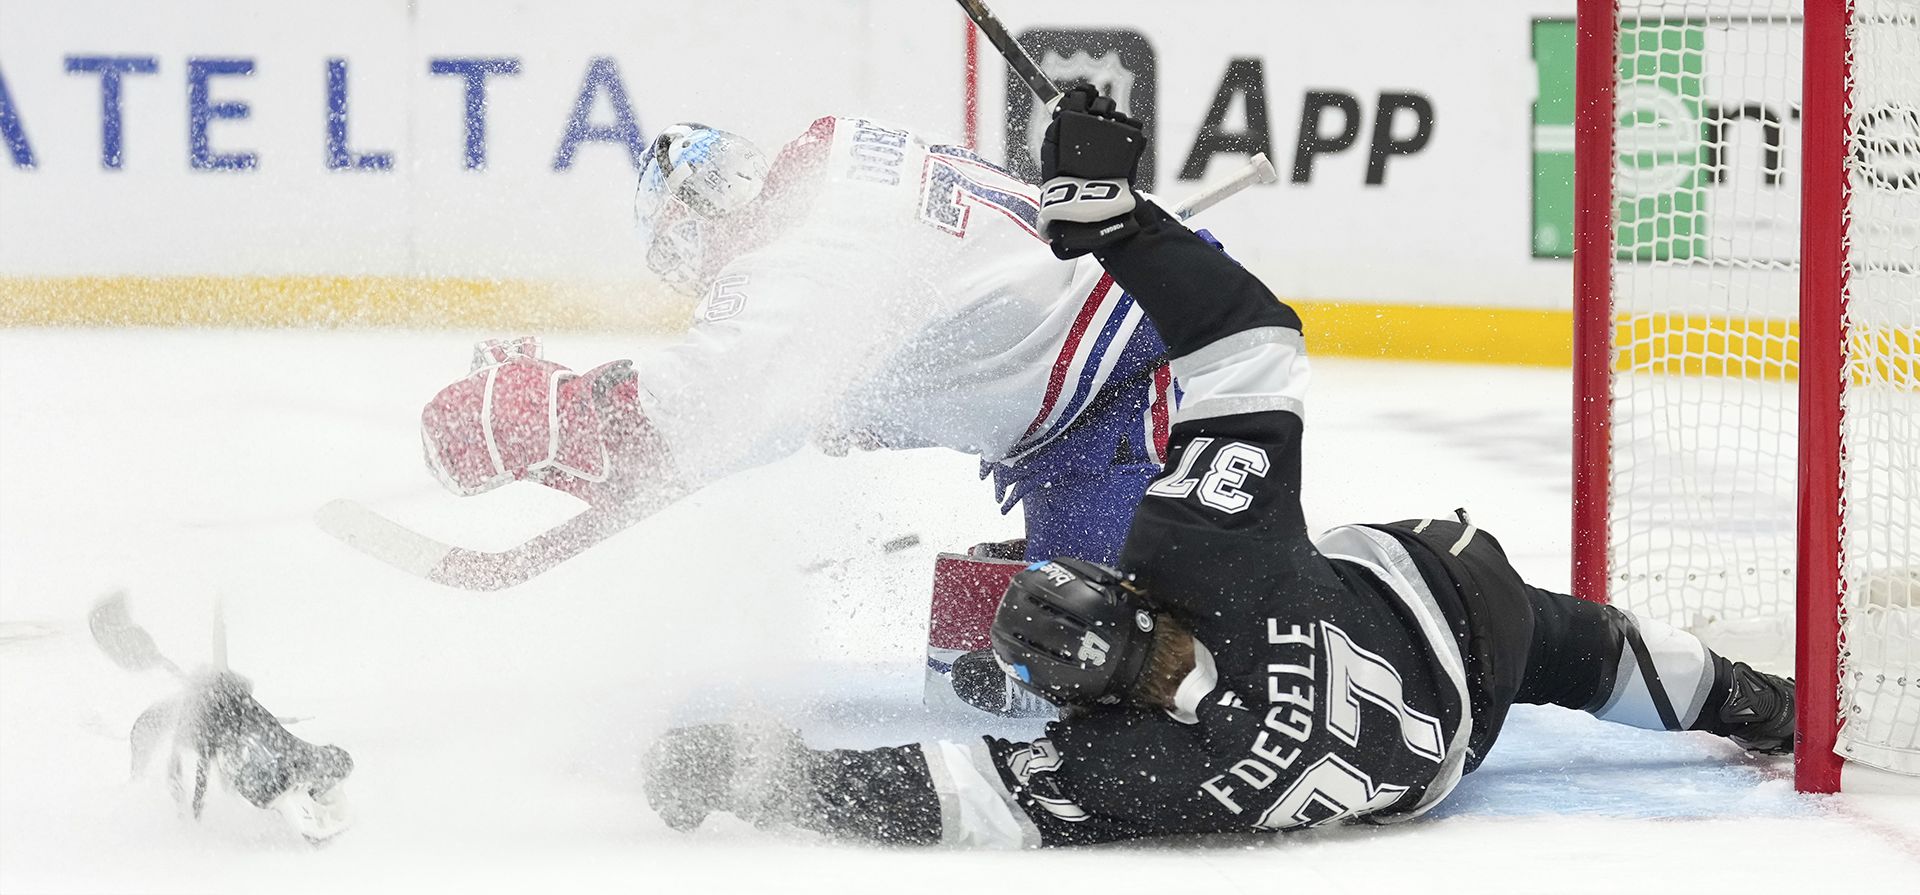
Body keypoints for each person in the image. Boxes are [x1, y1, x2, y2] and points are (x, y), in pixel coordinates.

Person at [637, 86, 1799, 847]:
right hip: (1445, 630)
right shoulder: (1206, 579)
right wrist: (1121, 223)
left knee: (1577, 650)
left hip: (1443, 699)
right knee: (1572, 643)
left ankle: (1743, 697)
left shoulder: (1134, 750)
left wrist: (758, 775)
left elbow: (931, 794)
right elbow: (1254, 334)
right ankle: (1760, 702)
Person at [416, 116, 1186, 715]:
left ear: (690, 225)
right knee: (1022, 647)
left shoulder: (783, 283)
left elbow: (662, 431)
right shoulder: (843, 148)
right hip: (1136, 338)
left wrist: (539, 406)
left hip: (1143, 383)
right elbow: (901, 324)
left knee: (1101, 676)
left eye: (682, 242)